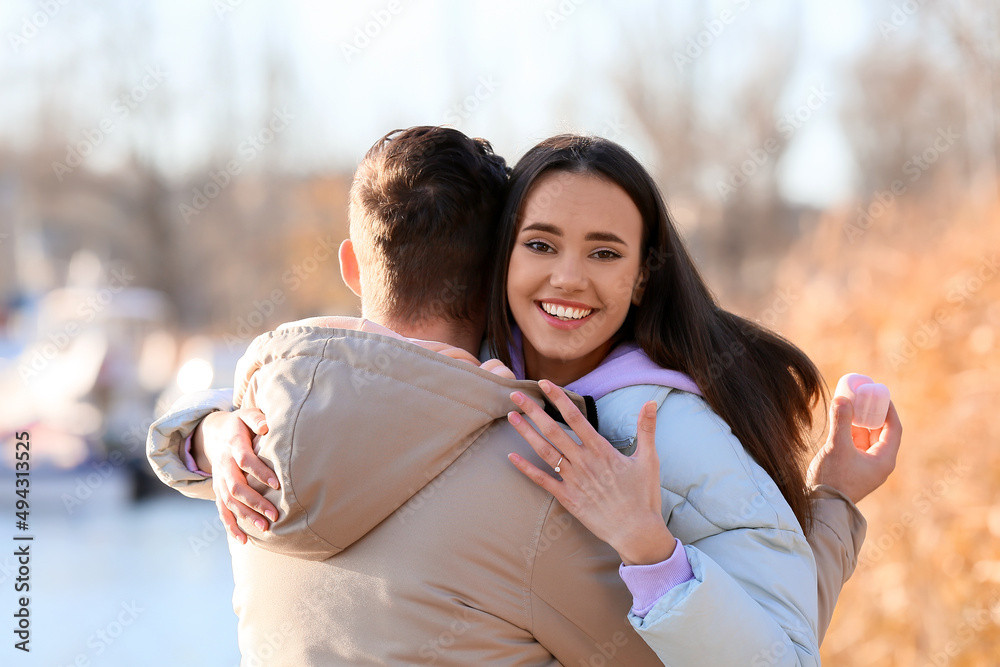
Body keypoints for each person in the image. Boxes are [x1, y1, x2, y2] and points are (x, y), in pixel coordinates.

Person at [148, 128, 901, 664]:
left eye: (603, 252)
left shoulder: (266, 433)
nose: (568, 278)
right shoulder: (519, 460)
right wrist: (208, 430)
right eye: (540, 244)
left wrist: (209, 432)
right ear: (495, 270)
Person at [148, 126, 664, 666]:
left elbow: (171, 443)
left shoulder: (254, 447)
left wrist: (209, 427)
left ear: (351, 266)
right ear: (498, 277)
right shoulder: (541, 473)